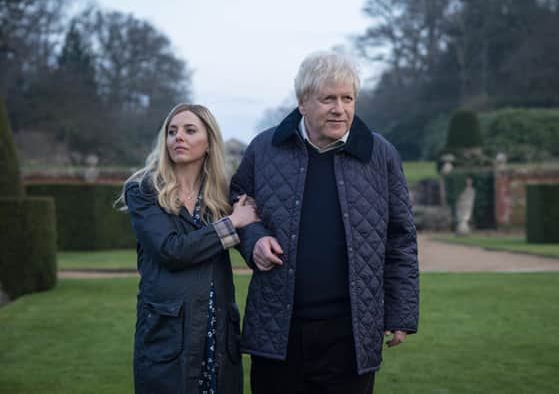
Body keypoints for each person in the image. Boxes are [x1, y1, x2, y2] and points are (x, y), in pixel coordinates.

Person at [231, 51, 419, 394]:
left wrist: (401, 314)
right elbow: (238, 206)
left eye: (348, 98)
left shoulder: (381, 154)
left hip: (350, 333)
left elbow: (401, 237)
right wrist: (254, 240)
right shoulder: (264, 148)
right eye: (328, 98)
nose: (340, 108)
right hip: (278, 327)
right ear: (303, 103)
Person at [120, 103, 258, 393]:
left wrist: (260, 241)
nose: (177, 137)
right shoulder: (144, 190)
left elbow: (250, 238)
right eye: (172, 132)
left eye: (189, 130)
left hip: (218, 336)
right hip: (169, 338)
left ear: (208, 143)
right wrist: (232, 223)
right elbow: (172, 250)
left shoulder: (221, 195)